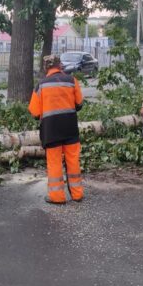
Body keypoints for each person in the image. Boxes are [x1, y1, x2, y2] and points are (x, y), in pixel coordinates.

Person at [29, 55, 84, 204]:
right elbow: (79, 104)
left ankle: (57, 197)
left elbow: (34, 112)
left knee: (54, 163)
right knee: (73, 161)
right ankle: (77, 194)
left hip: (51, 131)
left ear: (45, 67)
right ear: (60, 65)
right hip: (70, 129)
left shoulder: (41, 85)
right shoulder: (72, 81)